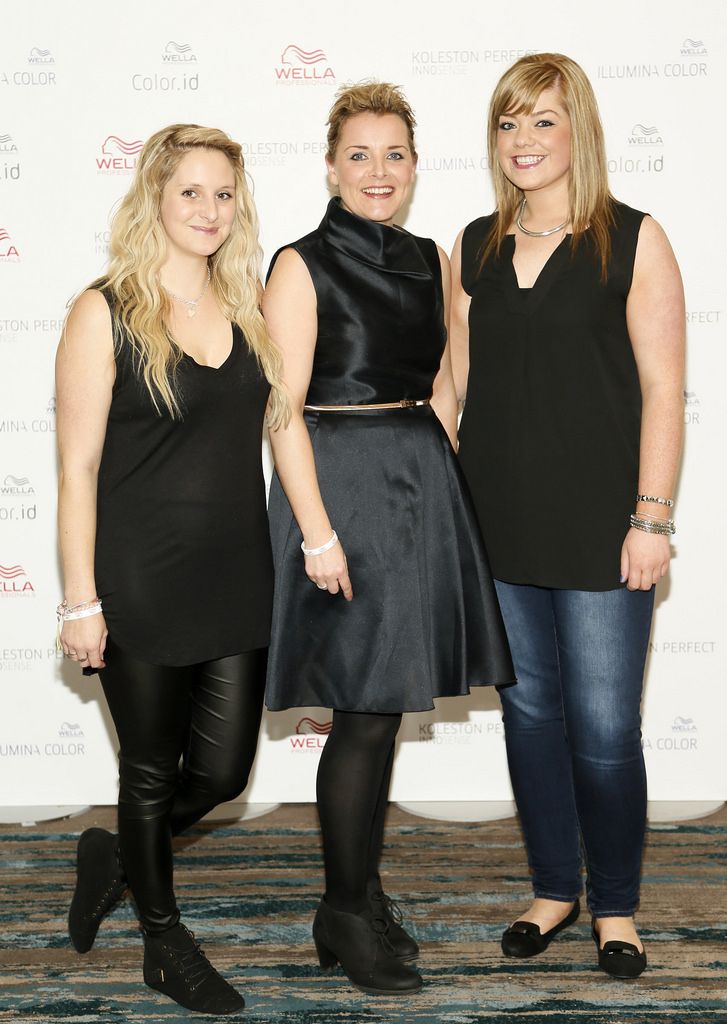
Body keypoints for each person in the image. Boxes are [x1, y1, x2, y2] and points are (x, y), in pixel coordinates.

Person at [263, 82, 514, 996]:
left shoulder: (428, 258)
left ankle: (359, 898)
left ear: (414, 166)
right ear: (331, 166)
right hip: (340, 492)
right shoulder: (299, 264)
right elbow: (281, 411)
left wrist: (442, 465)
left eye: (394, 154)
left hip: (415, 487)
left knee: (383, 711)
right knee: (361, 718)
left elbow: (448, 379)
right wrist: (318, 534)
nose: (378, 171)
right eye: (359, 154)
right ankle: (340, 908)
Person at [450, 53, 685, 979]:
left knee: (600, 728)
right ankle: (553, 890)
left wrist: (651, 519)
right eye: (508, 123)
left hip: (600, 524)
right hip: (494, 523)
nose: (522, 141)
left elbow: (665, 390)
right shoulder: (470, 244)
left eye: (542, 121)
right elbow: (453, 387)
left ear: (576, 129)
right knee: (529, 717)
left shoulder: (633, 239)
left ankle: (615, 907)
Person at [56, 123, 286, 1015]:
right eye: (191, 190)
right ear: (154, 195)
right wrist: (81, 601)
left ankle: (114, 854)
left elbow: (280, 432)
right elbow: (76, 468)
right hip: (141, 579)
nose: (209, 209)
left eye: (224, 193)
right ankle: (163, 940)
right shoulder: (104, 310)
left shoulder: (248, 309)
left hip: (237, 576)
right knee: (148, 774)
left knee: (222, 774)